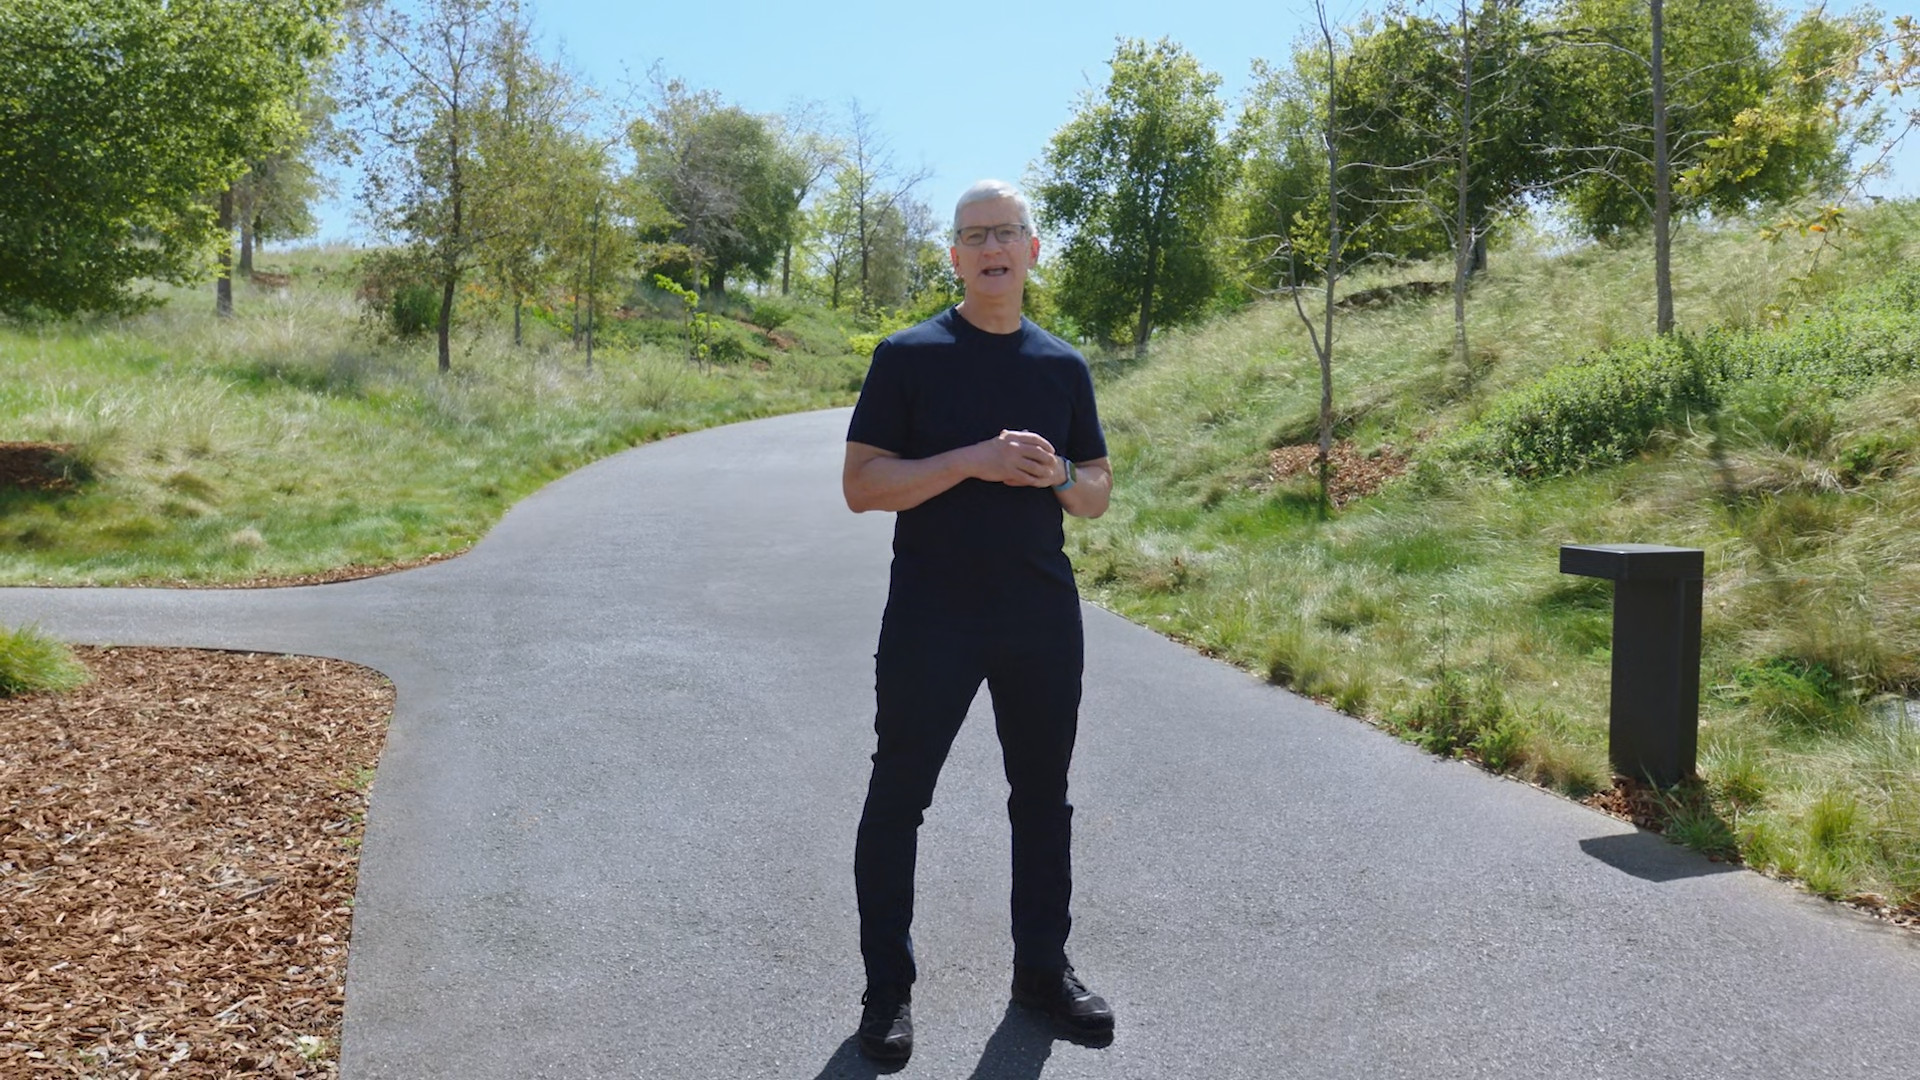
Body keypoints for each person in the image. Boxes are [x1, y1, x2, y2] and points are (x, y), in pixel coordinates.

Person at [841, 179, 1114, 1063]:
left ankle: (1042, 974)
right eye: (975, 235)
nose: (992, 247)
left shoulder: (1063, 366)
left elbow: (1097, 492)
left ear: (1033, 250)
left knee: (1043, 799)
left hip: (1040, 614)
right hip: (933, 616)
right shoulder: (908, 357)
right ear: (954, 256)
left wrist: (1057, 476)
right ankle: (887, 992)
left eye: (1007, 232)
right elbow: (862, 486)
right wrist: (973, 460)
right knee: (898, 799)